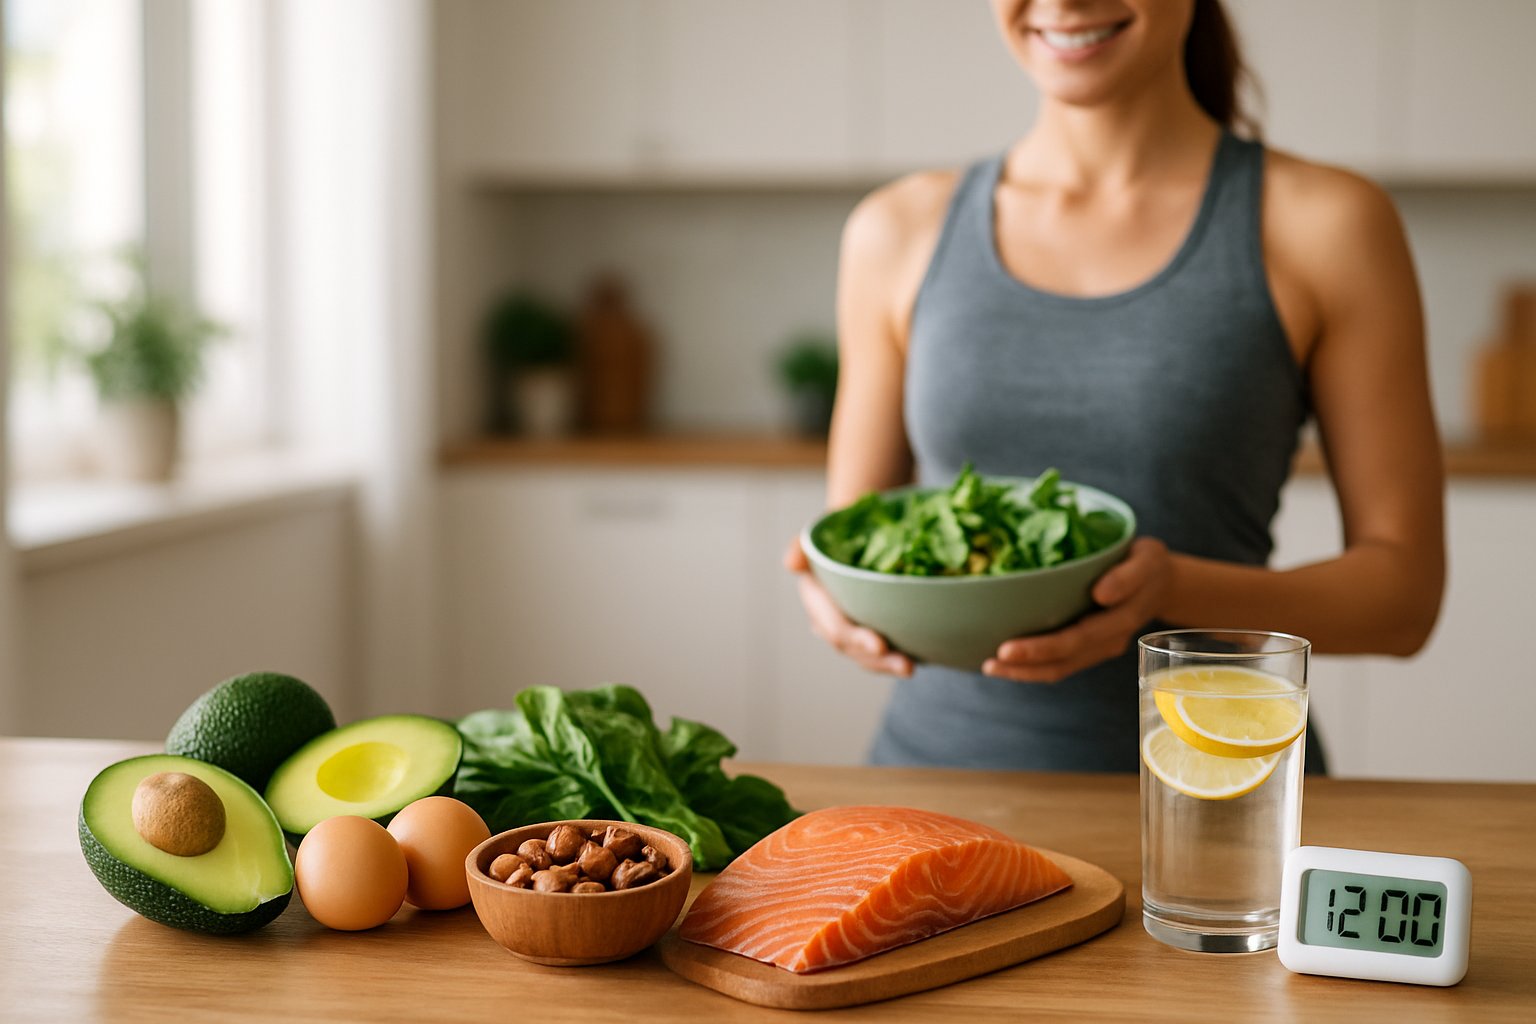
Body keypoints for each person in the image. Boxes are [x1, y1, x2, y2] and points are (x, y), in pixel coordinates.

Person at [784, 0, 1445, 772]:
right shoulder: (896, 229)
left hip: (1219, 788)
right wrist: (837, 596)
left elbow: (1403, 599)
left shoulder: (1328, 224)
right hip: (934, 787)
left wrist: (1168, 589)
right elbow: (853, 534)